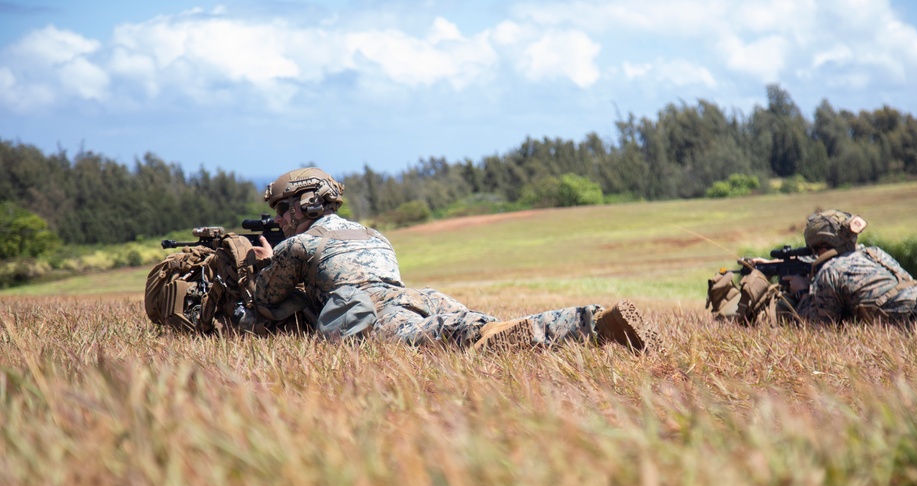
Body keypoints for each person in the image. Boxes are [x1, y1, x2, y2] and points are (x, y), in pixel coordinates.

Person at [247, 167, 662, 352]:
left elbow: (263, 300)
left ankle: (594, 323)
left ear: (306, 204)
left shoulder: (298, 246)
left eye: (284, 209)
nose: (280, 220)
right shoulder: (374, 234)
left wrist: (263, 262)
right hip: (419, 298)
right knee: (478, 326)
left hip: (375, 316)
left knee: (474, 338)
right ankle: (587, 325)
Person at [780, 209, 917, 332]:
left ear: (819, 246)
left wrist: (801, 292)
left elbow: (819, 330)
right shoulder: (874, 253)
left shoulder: (830, 272)